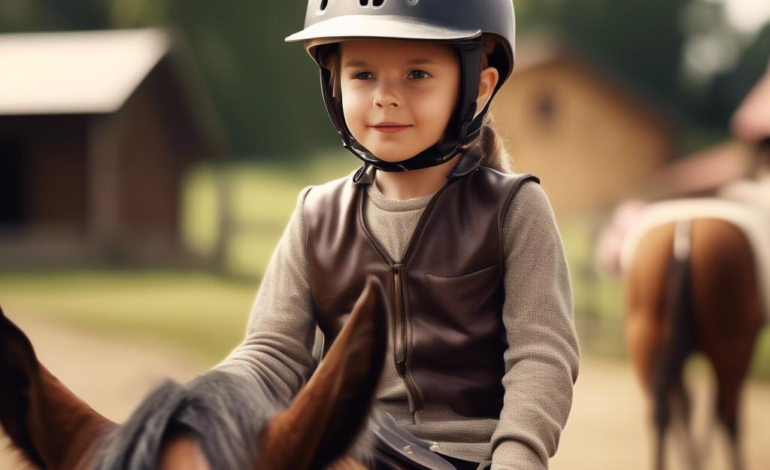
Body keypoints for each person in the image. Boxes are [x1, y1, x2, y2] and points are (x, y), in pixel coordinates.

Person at [213, 2, 581, 470]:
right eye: (363, 75)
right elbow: (272, 353)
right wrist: (204, 407)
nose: (385, 97)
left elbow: (542, 355)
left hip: (470, 459)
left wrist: (517, 457)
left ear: (478, 86)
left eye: (417, 75)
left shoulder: (515, 209)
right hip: (344, 448)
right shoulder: (315, 215)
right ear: (334, 83)